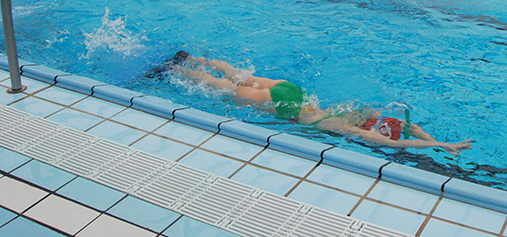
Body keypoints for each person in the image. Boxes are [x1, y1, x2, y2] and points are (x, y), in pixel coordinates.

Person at [169, 52, 474, 155]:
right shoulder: (347, 128)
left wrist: (434, 139)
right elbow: (398, 144)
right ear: (376, 132)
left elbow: (409, 126)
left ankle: (194, 59)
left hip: (294, 91)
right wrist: (440, 145)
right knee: (218, 87)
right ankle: (175, 69)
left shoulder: (363, 112)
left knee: (237, 75)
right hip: (284, 106)